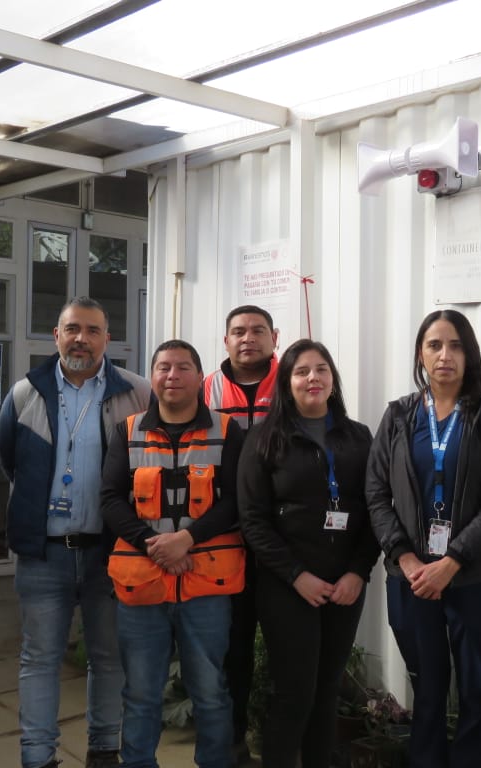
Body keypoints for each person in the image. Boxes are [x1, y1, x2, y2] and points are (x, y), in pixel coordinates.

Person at [0, 296, 151, 768]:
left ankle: (104, 749)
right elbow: (9, 460)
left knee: (108, 659)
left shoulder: (137, 393)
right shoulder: (26, 392)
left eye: (92, 330)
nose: (81, 338)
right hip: (45, 556)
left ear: (107, 339)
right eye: (72, 329)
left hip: (112, 552)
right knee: (39, 660)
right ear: (56, 336)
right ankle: (38, 756)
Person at [365, 309, 481, 768]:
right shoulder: (398, 417)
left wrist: (452, 561)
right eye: (434, 345)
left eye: (455, 345)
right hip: (410, 578)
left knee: (477, 688)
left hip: (474, 576)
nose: (445, 355)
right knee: (428, 687)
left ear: (469, 355)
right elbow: (375, 492)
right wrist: (406, 559)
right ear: (420, 355)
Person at [101, 340, 246, 768]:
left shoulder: (226, 430)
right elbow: (110, 499)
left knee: (211, 692)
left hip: (206, 586)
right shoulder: (127, 431)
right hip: (143, 584)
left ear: (199, 377)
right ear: (153, 377)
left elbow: (238, 500)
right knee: (141, 694)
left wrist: (187, 539)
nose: (172, 375)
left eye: (183, 367)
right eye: (163, 367)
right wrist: (154, 544)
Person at [237, 340, 380, 768]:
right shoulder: (265, 438)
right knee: (295, 692)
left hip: (345, 587)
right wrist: (297, 575)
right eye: (301, 372)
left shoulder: (358, 437)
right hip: (287, 586)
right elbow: (252, 519)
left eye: (321, 370)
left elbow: (376, 510)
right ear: (287, 383)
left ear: (333, 379)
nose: (312, 378)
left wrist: (358, 573)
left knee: (327, 690)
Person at [203, 304, 279, 764]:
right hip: (223, 538)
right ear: (226, 340)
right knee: (231, 647)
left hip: (281, 540)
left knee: (287, 645)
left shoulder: (292, 380)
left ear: (275, 337)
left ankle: (281, 739)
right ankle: (231, 741)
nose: (247, 338)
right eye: (238, 331)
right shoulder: (206, 388)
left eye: (257, 330)